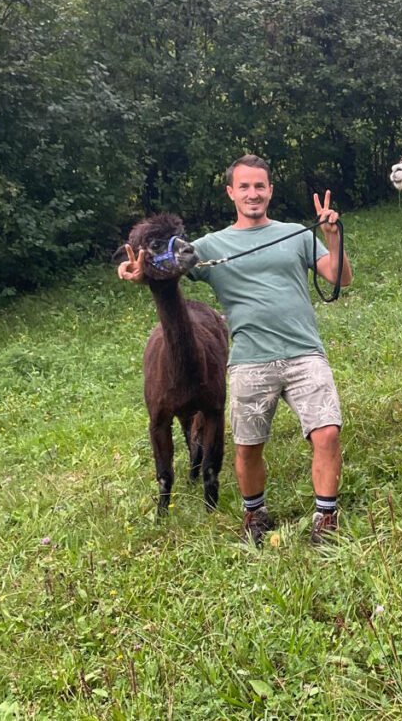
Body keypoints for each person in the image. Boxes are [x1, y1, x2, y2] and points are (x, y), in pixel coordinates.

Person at [118, 154, 353, 545]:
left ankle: (325, 520)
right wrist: (135, 271)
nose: (253, 193)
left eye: (259, 186)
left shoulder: (296, 233)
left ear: (270, 190)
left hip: (304, 352)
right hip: (249, 359)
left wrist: (331, 235)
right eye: (244, 186)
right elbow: (162, 263)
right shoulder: (209, 246)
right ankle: (254, 514)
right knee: (247, 446)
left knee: (327, 432)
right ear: (231, 192)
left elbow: (340, 278)